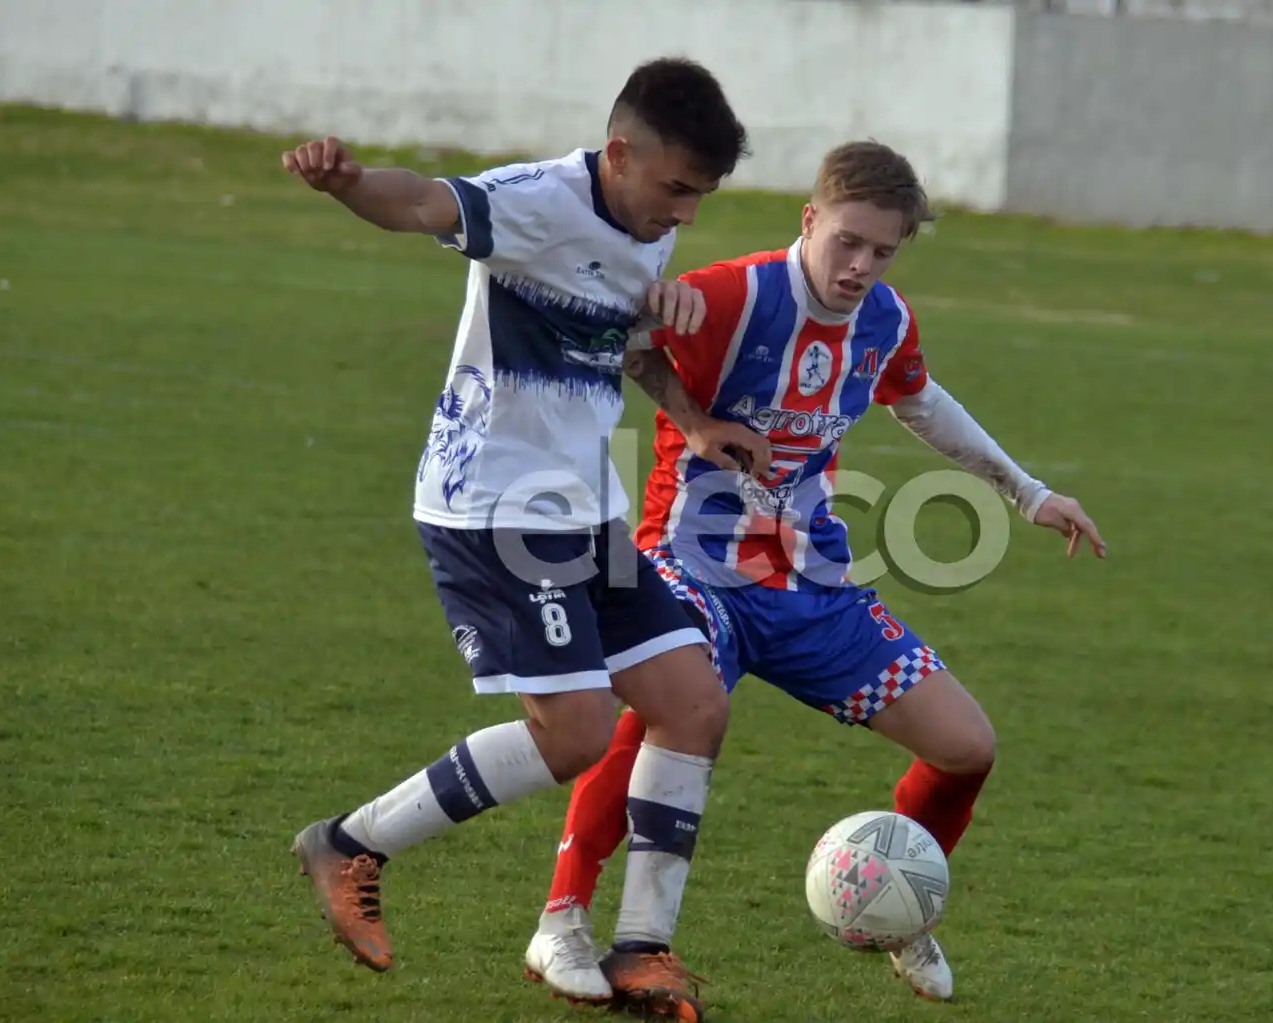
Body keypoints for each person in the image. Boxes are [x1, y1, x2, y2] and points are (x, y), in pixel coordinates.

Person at [520, 140, 1106, 1005]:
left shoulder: (886, 319)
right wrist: (686, 397)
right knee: (657, 717)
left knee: (965, 748)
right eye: (848, 242)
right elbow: (622, 337)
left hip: (808, 580)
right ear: (810, 220)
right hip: (688, 564)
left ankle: (901, 904)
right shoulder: (733, 292)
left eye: (883, 251)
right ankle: (562, 919)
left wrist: (1027, 492)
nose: (861, 265)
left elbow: (921, 402)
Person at [281, 57, 770, 1020]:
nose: (686, 215)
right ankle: (347, 842)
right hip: (495, 506)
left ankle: (641, 951)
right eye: (676, 188)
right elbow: (421, 201)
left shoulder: (646, 225)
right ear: (620, 153)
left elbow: (620, 342)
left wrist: (696, 418)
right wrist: (347, 185)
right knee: (577, 734)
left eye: (703, 196)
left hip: (585, 507)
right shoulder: (532, 201)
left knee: (692, 704)